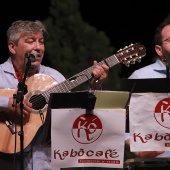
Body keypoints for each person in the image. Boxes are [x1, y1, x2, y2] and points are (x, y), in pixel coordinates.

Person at [0, 20, 109, 170]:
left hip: (45, 161)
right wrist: (7, 103)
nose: (38, 48)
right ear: (12, 47)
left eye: (41, 42)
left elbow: (75, 113)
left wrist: (95, 87)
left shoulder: (54, 77)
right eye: (31, 41)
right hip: (5, 160)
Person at [125, 16, 170, 159]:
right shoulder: (140, 77)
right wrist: (138, 150)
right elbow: (120, 123)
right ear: (159, 50)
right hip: (156, 163)